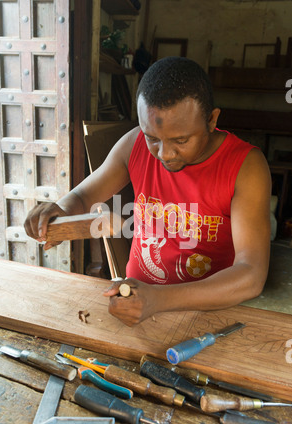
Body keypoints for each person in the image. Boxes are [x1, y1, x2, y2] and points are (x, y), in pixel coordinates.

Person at [24, 57, 272, 327]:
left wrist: (159, 299)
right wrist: (58, 211)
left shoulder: (246, 166)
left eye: (181, 140)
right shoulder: (134, 144)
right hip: (133, 304)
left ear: (212, 120)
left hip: (204, 315)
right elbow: (84, 196)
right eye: (153, 138)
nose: (164, 154)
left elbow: (251, 275)